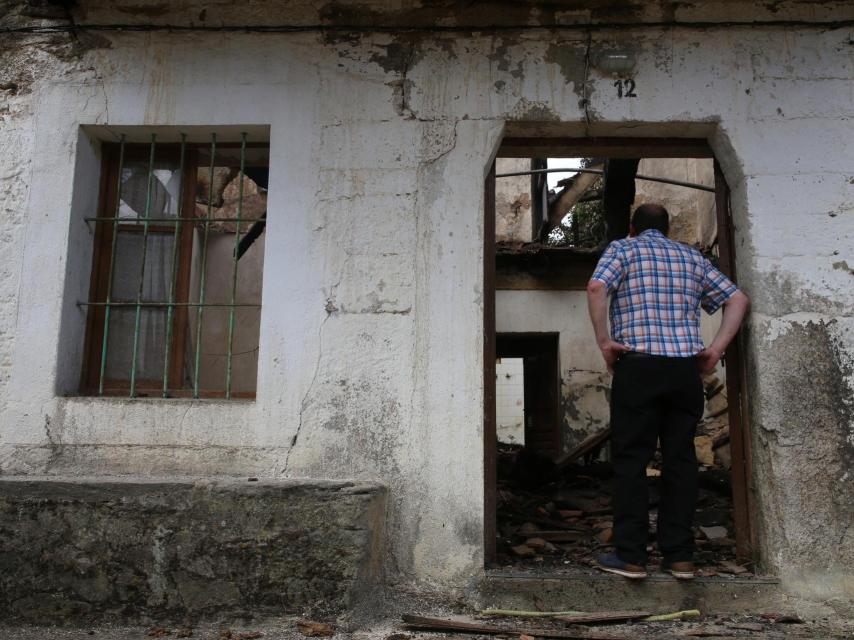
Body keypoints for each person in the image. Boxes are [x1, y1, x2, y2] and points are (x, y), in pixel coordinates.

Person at [586, 203, 749, 580]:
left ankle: (631, 558)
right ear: (667, 227)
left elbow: (597, 287)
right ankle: (680, 558)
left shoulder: (623, 249)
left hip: (638, 366)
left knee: (631, 460)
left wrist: (605, 343)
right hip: (682, 371)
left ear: (632, 227)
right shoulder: (691, 256)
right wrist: (716, 349)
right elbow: (736, 300)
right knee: (681, 461)